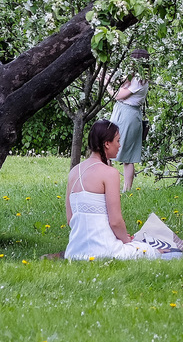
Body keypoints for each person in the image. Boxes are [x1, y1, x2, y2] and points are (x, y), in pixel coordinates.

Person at [64, 119, 160, 260]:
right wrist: (126, 241)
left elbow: (70, 219)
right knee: (152, 250)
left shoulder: (73, 172)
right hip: (105, 250)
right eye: (117, 141)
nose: (120, 145)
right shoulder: (109, 173)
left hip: (74, 251)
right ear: (107, 144)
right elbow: (115, 221)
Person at [110, 48, 150, 192]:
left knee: (125, 153)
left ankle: (124, 189)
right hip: (123, 111)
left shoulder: (139, 80)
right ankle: (114, 187)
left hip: (128, 114)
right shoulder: (135, 78)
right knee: (113, 148)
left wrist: (106, 86)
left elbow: (119, 95)